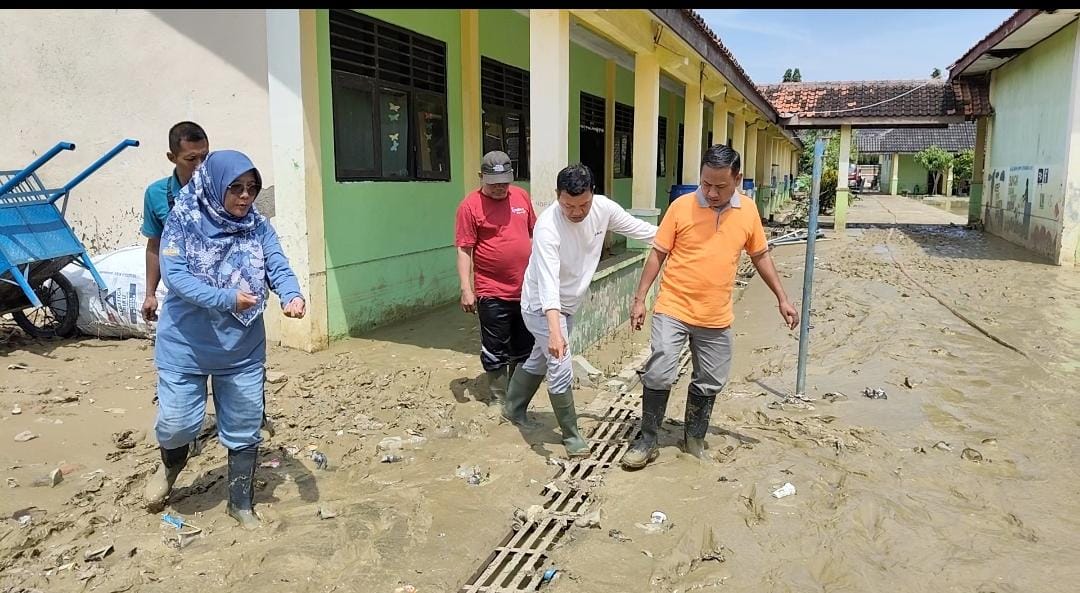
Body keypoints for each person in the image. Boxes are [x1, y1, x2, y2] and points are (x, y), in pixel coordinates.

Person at [144, 150, 306, 529]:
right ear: (215, 186)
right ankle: (170, 467)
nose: (245, 197)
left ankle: (241, 502)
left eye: (252, 188)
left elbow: (277, 264)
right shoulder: (183, 221)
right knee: (177, 423)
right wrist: (227, 298)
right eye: (235, 188)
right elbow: (177, 279)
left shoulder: (258, 226)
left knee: (245, 425)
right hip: (186, 345)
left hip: (242, 348)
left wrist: (290, 293)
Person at [620, 145, 799, 470]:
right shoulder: (680, 208)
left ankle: (694, 439)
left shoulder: (748, 211)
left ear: (738, 180)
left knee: (710, 380)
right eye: (706, 184)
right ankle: (648, 439)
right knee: (660, 371)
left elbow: (760, 256)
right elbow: (658, 253)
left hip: (716, 316)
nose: (712, 192)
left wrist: (782, 298)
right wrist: (640, 299)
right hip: (673, 306)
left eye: (720, 186)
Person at [502, 164, 657, 458]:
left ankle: (513, 407)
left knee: (541, 355)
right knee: (559, 363)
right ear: (557, 196)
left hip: (569, 303)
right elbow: (548, 283)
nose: (576, 212)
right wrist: (556, 331)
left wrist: (681, 238)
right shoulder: (548, 227)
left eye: (583, 204)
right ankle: (572, 436)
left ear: (593, 194)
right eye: (568, 205)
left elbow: (644, 230)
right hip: (541, 306)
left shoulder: (603, 209)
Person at [455, 151, 537, 407]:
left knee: (525, 346)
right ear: (482, 178)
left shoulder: (521, 196)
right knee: (495, 347)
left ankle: (517, 401)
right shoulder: (470, 206)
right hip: (491, 291)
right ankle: (499, 400)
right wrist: (466, 288)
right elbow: (464, 249)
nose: (501, 188)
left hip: (525, 290)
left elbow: (535, 234)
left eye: (505, 182)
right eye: (494, 183)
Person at [141, 121, 210, 323]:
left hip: (220, 292)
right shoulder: (156, 194)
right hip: (181, 295)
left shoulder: (224, 189)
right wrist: (150, 294)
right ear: (172, 158)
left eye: (205, 157)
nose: (200, 165)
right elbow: (155, 245)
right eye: (191, 159)